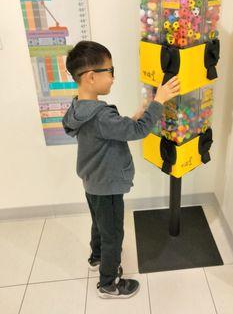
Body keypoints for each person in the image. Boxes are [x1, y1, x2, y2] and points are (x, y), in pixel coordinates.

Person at [62, 40, 180, 298]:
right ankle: (108, 283)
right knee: (113, 232)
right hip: (108, 184)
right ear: (91, 77)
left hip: (92, 182)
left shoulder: (77, 108)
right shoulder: (101, 115)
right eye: (110, 71)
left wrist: (136, 115)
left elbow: (111, 130)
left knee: (99, 223)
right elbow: (136, 132)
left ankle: (97, 256)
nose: (113, 78)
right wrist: (159, 101)